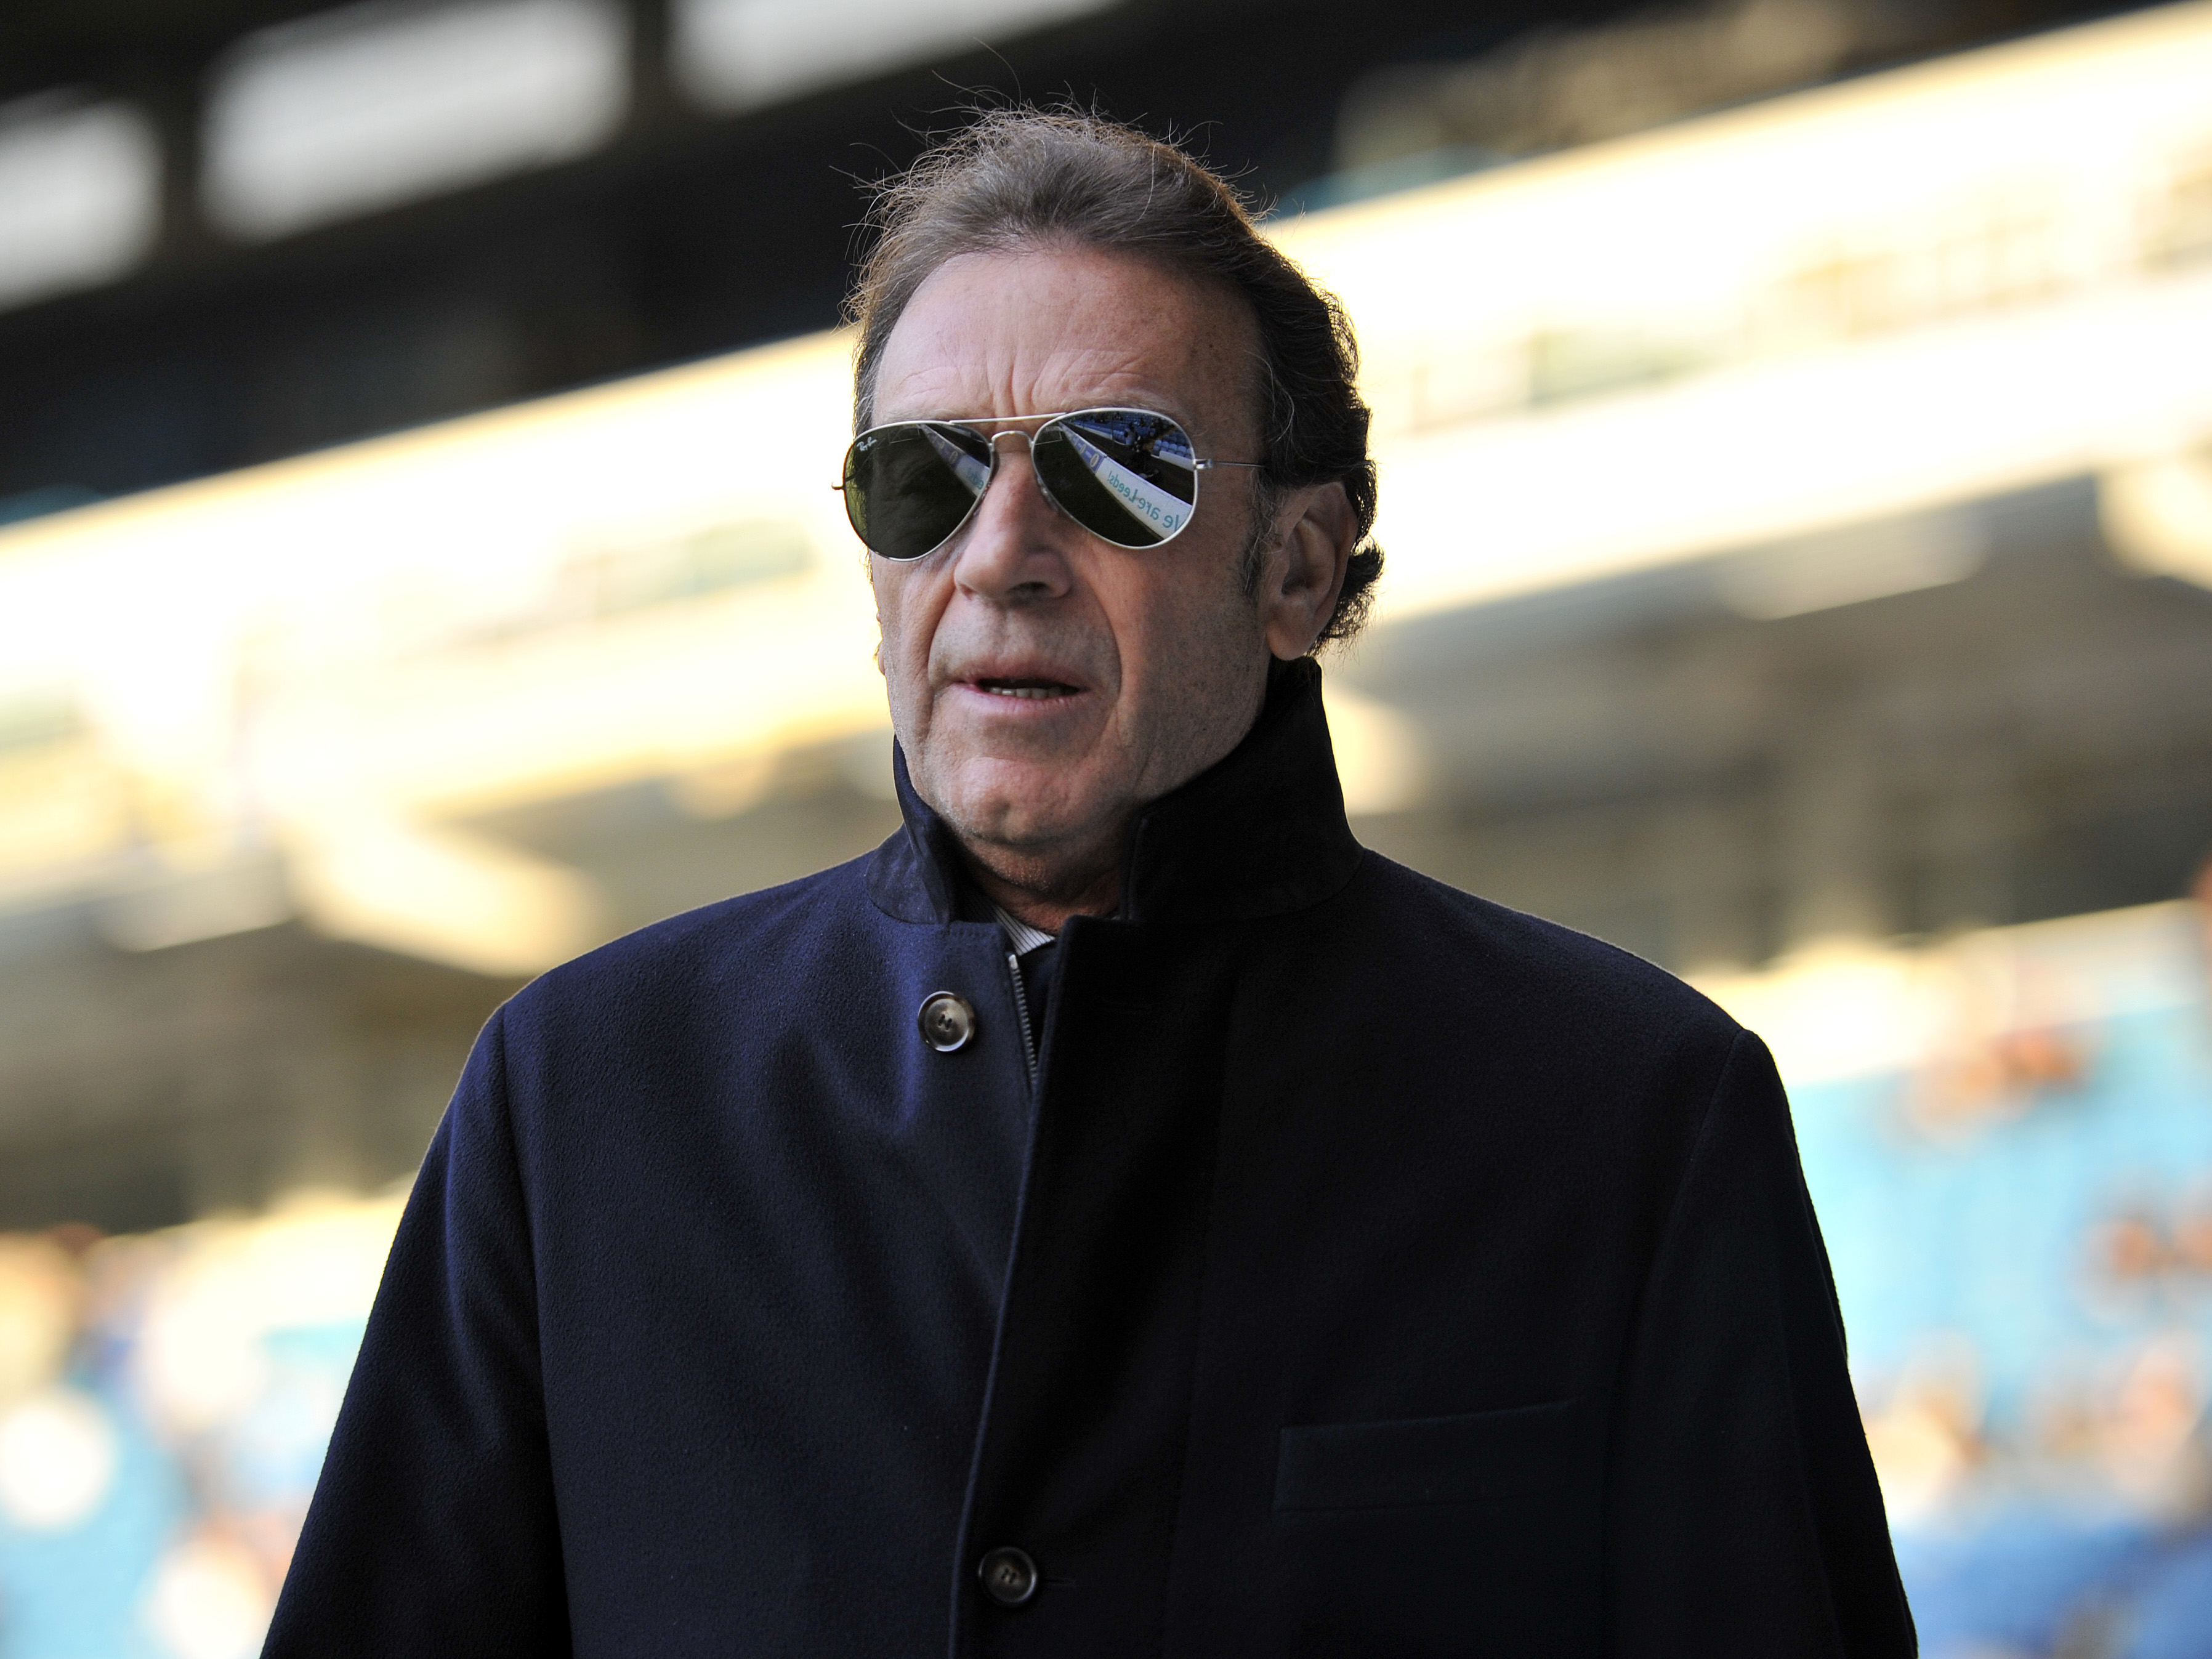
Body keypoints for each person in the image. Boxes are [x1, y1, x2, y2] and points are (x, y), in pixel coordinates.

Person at [264, 110, 1915, 1657]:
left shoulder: (1628, 1115)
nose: (997, 552)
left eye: (1116, 467)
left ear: (1296, 566)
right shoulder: (583, 1102)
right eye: (921, 477)